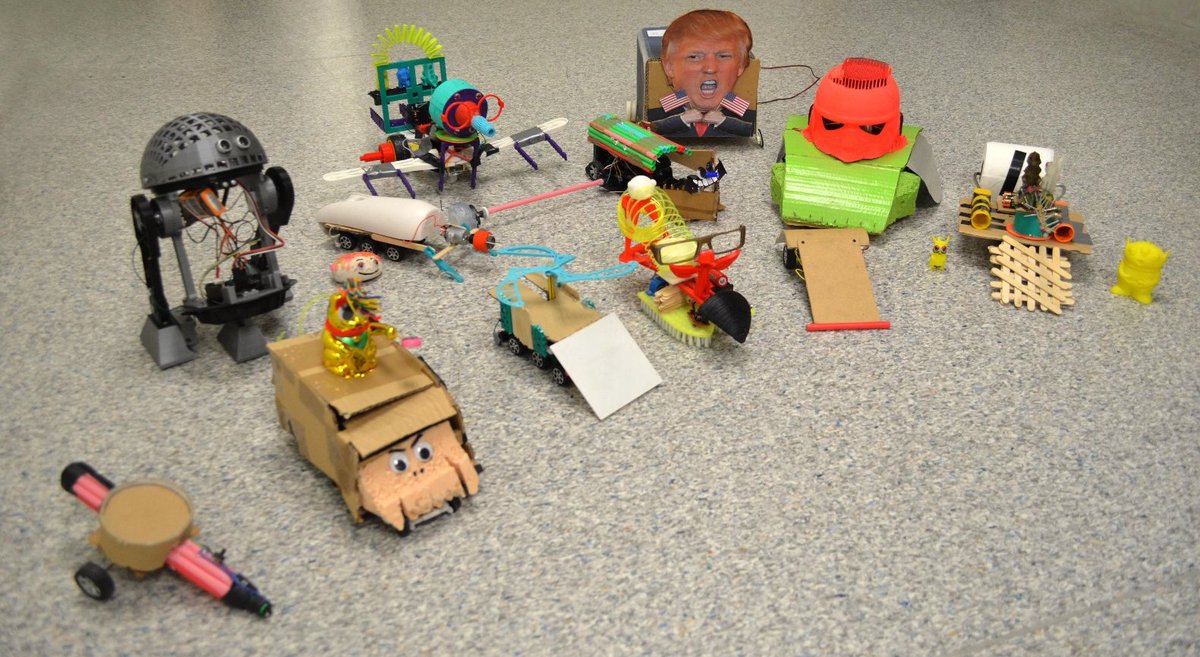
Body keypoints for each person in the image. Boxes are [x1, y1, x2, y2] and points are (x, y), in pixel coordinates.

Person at [647, 10, 755, 138]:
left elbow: (749, 129)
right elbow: (651, 128)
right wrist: (682, 119)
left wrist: (723, 121)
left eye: (723, 56)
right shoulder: (656, 114)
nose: (710, 68)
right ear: (669, 67)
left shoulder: (746, 115)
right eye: (694, 57)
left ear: (741, 66)